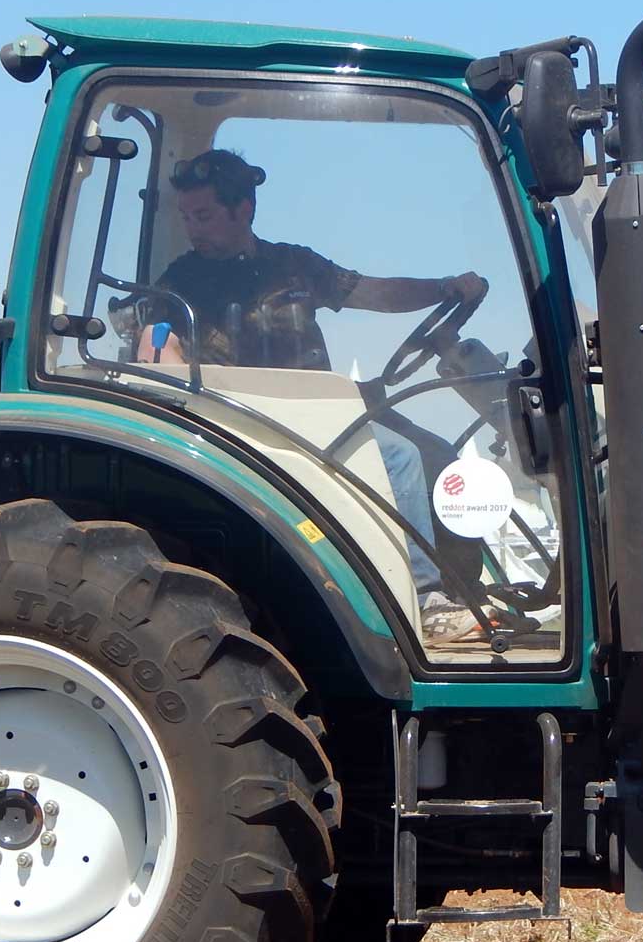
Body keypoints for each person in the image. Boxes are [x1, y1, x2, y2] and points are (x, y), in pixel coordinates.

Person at [138, 148, 487, 643]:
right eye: (187, 217)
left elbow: (373, 292)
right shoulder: (182, 280)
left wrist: (442, 288)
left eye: (205, 216)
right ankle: (426, 601)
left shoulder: (294, 265)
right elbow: (156, 344)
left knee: (438, 453)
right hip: (246, 424)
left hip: (320, 413)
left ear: (245, 209)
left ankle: (466, 589)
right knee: (401, 459)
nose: (194, 229)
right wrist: (196, 407)